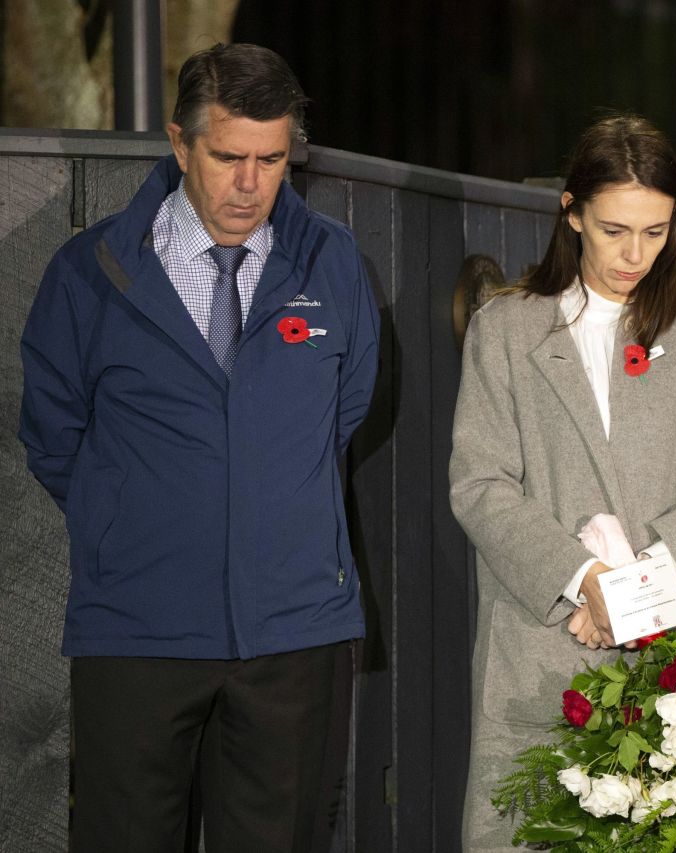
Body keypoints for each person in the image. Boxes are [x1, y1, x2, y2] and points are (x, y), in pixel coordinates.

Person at [18, 43, 380, 852]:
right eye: (227, 157)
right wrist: (135, 522)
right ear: (181, 145)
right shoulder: (89, 272)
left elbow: (345, 406)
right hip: (136, 631)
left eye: (272, 159)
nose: (250, 184)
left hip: (294, 635)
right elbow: (52, 433)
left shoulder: (334, 263)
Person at [449, 114, 676, 850]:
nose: (636, 253)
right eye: (615, 229)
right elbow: (480, 483)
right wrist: (582, 578)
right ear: (571, 212)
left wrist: (634, 590)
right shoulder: (506, 329)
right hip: (540, 652)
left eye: (656, 232)